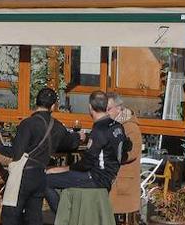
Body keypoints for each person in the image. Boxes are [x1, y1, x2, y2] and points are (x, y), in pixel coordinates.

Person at [0, 88, 75, 225]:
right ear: (53, 106)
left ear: (36, 102)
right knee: (35, 219)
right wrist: (82, 137)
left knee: (10, 217)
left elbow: (16, 153)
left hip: (23, 175)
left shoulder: (28, 124)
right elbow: (71, 142)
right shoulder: (57, 126)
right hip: (40, 175)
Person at [44, 89, 129, 217]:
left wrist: (61, 169)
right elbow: (126, 147)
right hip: (109, 176)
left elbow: (86, 164)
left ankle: (65, 219)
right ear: (106, 107)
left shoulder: (99, 129)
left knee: (44, 180)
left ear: (90, 107)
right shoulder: (118, 127)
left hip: (96, 178)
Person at [106, 92, 144, 224]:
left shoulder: (130, 127)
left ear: (119, 108)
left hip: (122, 183)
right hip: (111, 179)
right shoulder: (110, 125)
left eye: (108, 109)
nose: (106, 112)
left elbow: (130, 153)